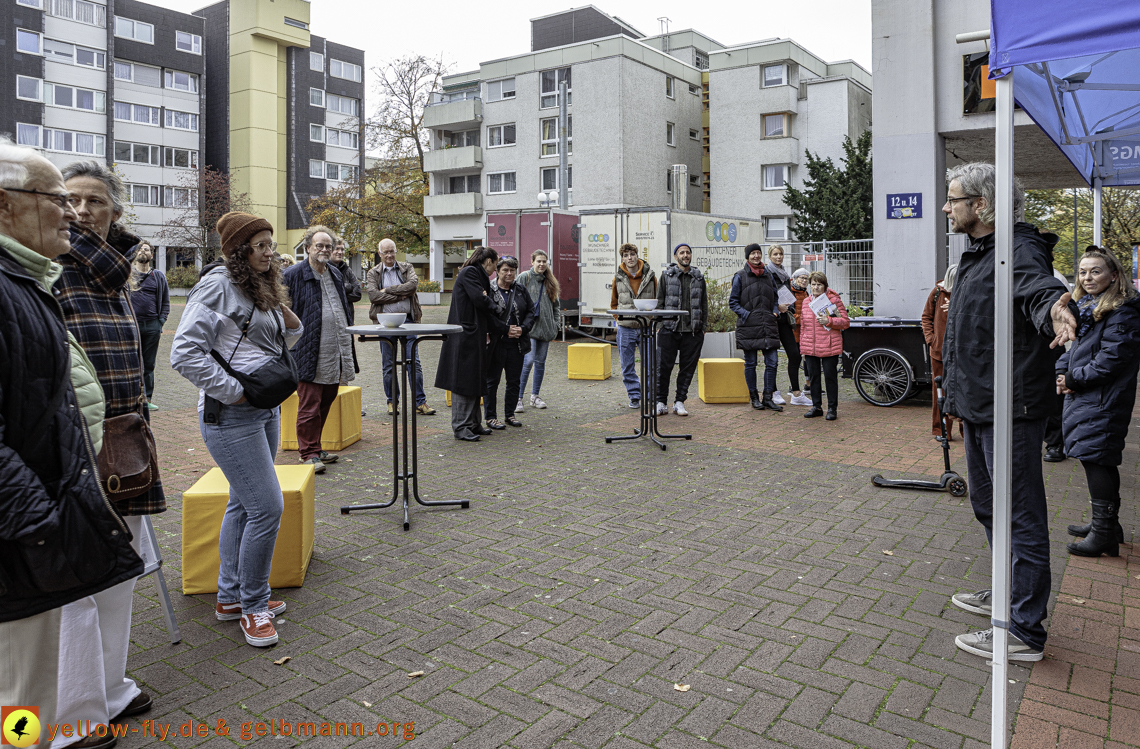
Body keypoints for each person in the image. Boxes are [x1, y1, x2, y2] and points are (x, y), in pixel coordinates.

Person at [0, 139, 144, 749]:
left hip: (43, 509)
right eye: (56, 198)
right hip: (25, 526)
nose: (71, 213)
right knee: (19, 687)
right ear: (6, 207)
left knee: (27, 671)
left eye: (83, 200)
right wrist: (41, 522)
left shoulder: (25, 283)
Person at [940, 162, 1077, 663]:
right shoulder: (981, 254)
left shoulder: (1015, 249)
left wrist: (1058, 311)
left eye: (953, 198)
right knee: (989, 508)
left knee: (1018, 515)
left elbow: (1040, 292)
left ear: (981, 204)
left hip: (1008, 408)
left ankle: (1024, 629)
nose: (946, 207)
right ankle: (1006, 594)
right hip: (980, 404)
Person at [55, 160, 168, 736]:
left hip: (127, 440)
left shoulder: (117, 271)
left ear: (115, 212)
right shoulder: (49, 267)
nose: (79, 211)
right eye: (68, 199)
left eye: (93, 201)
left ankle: (110, 687)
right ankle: (74, 715)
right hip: (76, 446)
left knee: (121, 571)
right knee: (78, 582)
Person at [171, 212, 302, 647]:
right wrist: (234, 393)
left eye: (271, 244)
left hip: (264, 409)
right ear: (238, 250)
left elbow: (287, 338)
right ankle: (253, 606)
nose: (270, 252)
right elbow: (185, 353)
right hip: (232, 416)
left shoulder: (257, 286)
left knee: (243, 505)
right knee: (267, 508)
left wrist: (276, 304)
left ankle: (230, 597)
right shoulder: (216, 285)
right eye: (261, 245)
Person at [1057, 248, 1140, 557]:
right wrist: (1061, 372)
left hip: (1103, 400)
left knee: (1097, 460)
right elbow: (1076, 350)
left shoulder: (1122, 311)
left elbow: (1111, 360)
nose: (1087, 277)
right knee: (1098, 459)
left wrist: (1072, 379)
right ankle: (1108, 525)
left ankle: (1104, 534)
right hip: (1090, 397)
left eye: (1095, 271)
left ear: (1114, 275)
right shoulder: (1088, 308)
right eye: (1082, 272)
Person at [283, 225, 356, 473]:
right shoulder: (292, 274)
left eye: (328, 246)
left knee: (327, 400)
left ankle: (317, 446)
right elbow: (282, 311)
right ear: (308, 248)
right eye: (320, 245)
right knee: (309, 404)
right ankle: (308, 453)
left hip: (335, 349)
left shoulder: (335, 273)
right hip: (308, 350)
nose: (324, 250)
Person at [435, 247, 503, 441]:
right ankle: (461, 426)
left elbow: (481, 299)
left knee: (474, 379)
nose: (496, 269)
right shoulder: (470, 272)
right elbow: (479, 299)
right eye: (496, 264)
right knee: (462, 381)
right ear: (488, 261)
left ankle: (473, 423)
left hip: (474, 335)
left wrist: (485, 297)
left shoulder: (476, 275)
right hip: (465, 337)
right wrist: (490, 302)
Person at [365, 238, 435, 416]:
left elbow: (412, 286)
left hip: (408, 322)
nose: (389, 255)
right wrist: (400, 295)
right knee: (388, 364)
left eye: (392, 251)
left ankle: (420, 402)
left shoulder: (406, 267)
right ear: (380, 254)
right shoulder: (373, 273)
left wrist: (387, 291)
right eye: (385, 252)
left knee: (414, 363)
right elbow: (373, 296)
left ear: (396, 251)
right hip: (384, 323)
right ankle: (392, 402)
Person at [729, 243, 783, 411]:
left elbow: (775, 297)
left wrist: (774, 312)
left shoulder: (769, 275)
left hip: (768, 325)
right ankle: (754, 398)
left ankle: (768, 397)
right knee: (751, 363)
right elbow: (733, 302)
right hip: (749, 327)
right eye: (752, 253)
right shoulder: (740, 276)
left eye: (758, 253)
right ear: (747, 257)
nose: (756, 256)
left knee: (772, 362)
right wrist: (747, 315)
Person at [656, 243, 708, 416]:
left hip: (692, 332)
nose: (685, 255)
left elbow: (704, 304)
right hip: (669, 329)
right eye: (681, 253)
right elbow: (660, 302)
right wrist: (661, 325)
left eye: (688, 252)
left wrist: (703, 328)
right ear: (675, 256)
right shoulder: (666, 276)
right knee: (663, 368)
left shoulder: (699, 277)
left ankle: (679, 402)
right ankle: (661, 402)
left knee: (687, 369)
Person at [485, 256, 534, 429]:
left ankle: (510, 414)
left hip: (517, 344)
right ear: (497, 271)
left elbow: (531, 311)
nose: (509, 273)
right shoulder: (489, 290)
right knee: (492, 382)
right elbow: (487, 316)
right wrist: (505, 329)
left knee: (514, 381)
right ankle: (490, 416)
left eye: (512, 270)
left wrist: (523, 328)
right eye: (505, 270)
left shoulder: (520, 289)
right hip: (496, 344)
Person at [610, 243, 657, 408]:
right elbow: (613, 303)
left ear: (637, 255)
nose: (629, 258)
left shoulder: (650, 276)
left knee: (651, 364)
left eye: (632, 254)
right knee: (627, 366)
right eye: (625, 255)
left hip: (646, 327)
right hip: (625, 328)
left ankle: (651, 396)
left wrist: (653, 320)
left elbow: (657, 299)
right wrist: (619, 319)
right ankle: (634, 396)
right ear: (622, 258)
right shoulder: (618, 277)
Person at [799, 271, 849, 420]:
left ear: (825, 286)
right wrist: (803, 347)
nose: (816, 287)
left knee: (830, 377)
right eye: (813, 284)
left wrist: (829, 321)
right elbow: (803, 326)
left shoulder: (834, 300)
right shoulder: (806, 302)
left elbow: (845, 322)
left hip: (829, 345)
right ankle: (816, 406)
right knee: (814, 377)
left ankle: (832, 408)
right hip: (811, 346)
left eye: (819, 284)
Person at [921, 264, 961, 440]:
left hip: (961, 353)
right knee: (940, 392)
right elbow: (926, 317)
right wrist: (931, 339)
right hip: (939, 352)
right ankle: (941, 430)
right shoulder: (937, 292)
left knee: (962, 391)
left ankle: (966, 430)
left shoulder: (965, 294)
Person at [516, 250, 560, 411]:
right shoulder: (524, 277)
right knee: (528, 362)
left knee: (540, 363)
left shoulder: (550, 281)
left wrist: (556, 324)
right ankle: (518, 398)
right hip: (530, 328)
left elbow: (556, 306)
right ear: (532, 261)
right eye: (539, 261)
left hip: (546, 329)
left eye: (544, 261)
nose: (541, 264)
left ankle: (535, 396)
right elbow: (515, 300)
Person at [129, 242, 169, 410]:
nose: (143, 251)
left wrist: (160, 322)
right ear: (135, 254)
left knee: (149, 364)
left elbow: (165, 301)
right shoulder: (128, 275)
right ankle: (131, 398)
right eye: (140, 249)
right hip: (132, 326)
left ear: (152, 255)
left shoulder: (158, 276)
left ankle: (147, 399)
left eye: (146, 249)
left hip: (152, 326)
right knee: (132, 363)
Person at [1043, 267, 1073, 462]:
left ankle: (1055, 443)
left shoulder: (1054, 277)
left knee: (1053, 396)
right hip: (1021, 347)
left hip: (1052, 344)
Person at [766, 244, 800, 406]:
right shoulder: (767, 273)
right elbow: (765, 296)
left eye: (780, 254)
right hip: (773, 319)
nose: (778, 257)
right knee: (772, 358)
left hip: (785, 319)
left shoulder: (785, 274)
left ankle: (796, 393)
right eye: (775, 254)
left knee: (794, 354)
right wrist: (776, 307)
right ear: (770, 256)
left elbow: (790, 294)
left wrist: (790, 307)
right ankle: (773, 392)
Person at [788, 268, 812, 402]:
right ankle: (793, 387)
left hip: (804, 331)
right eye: (801, 278)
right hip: (794, 332)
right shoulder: (791, 292)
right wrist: (805, 318)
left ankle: (807, 385)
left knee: (806, 357)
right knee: (795, 359)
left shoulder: (805, 293)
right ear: (795, 278)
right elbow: (790, 315)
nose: (804, 280)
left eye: (806, 279)